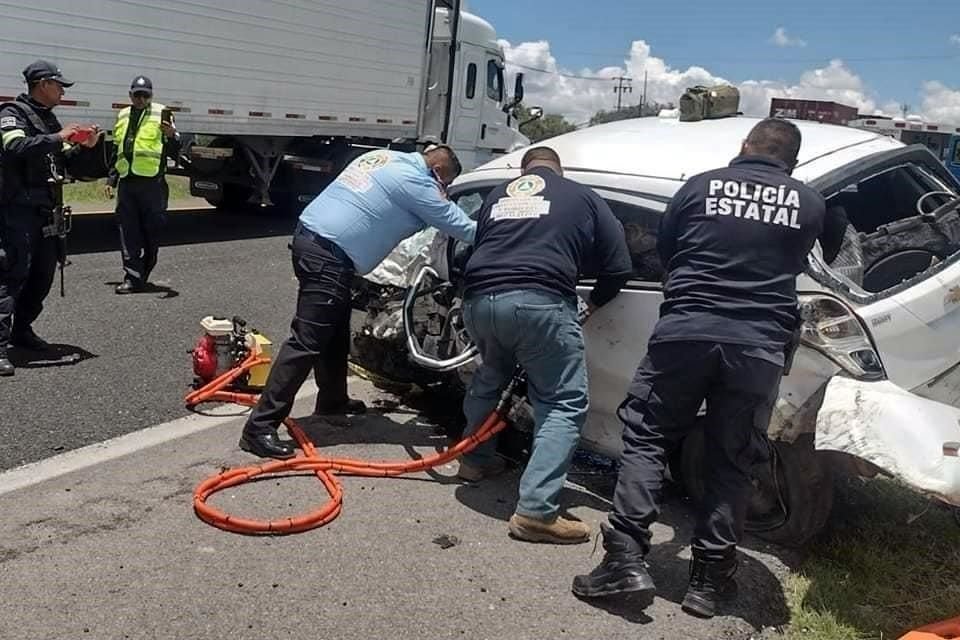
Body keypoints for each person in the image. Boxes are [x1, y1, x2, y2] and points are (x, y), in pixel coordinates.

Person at [571, 118, 828, 618]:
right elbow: (803, 257)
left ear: (743, 147)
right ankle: (708, 582)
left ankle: (624, 560)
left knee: (647, 439)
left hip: (686, 332)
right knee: (732, 461)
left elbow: (668, 251)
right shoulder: (809, 202)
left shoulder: (699, 187)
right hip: (759, 345)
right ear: (791, 161)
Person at [239, 145, 477, 459]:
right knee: (306, 343)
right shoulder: (417, 182)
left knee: (334, 332)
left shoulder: (384, 157)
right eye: (444, 184)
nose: (442, 190)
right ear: (437, 173)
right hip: (329, 257)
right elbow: (463, 227)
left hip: (312, 241)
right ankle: (259, 427)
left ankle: (333, 400)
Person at [456, 146, 632, 545]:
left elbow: (471, 251)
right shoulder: (582, 195)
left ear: (524, 170)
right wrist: (594, 302)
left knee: (490, 377)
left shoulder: (498, 195)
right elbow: (619, 264)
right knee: (562, 402)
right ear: (559, 169)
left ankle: (474, 461)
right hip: (538, 302)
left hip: (480, 301)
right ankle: (536, 512)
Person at [0, 60, 101, 377]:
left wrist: (84, 147)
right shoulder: (11, 114)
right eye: (58, 85)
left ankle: (22, 331)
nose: (61, 91)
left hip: (45, 212)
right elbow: (14, 146)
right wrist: (59, 137)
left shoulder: (48, 118)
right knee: (11, 276)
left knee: (41, 276)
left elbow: (62, 163)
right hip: (15, 211)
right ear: (42, 84)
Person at [105, 76, 182, 293]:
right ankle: (132, 277)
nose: (140, 99)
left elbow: (176, 149)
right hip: (128, 182)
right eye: (136, 94)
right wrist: (112, 178)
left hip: (152, 184)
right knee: (127, 230)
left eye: (144, 95)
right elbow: (117, 148)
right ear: (130, 95)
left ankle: (144, 271)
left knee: (152, 231)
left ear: (151, 96)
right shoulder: (122, 114)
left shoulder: (161, 113)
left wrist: (172, 135)